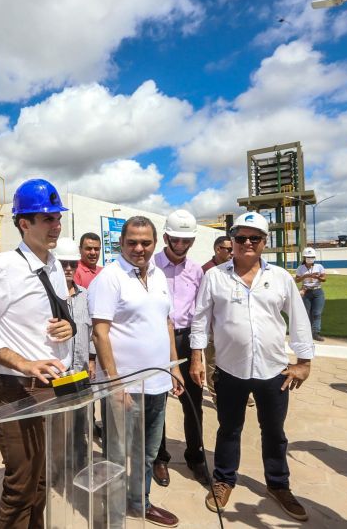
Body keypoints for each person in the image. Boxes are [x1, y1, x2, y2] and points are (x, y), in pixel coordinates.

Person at [190, 211, 314, 522]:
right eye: (241, 237)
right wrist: (196, 357)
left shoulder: (281, 277)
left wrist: (304, 362)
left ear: (264, 242)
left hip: (274, 371)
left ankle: (278, 485)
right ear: (231, 241)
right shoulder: (215, 276)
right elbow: (200, 320)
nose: (247, 242)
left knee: (274, 431)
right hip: (230, 370)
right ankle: (224, 480)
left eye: (254, 238)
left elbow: (299, 320)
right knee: (229, 429)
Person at [0, 178, 74, 529]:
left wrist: (68, 328)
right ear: (24, 223)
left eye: (57, 218)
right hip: (18, 389)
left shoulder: (55, 265)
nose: (56, 225)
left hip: (57, 386)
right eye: (47, 219)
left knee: (42, 480)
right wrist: (24, 363)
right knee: (21, 485)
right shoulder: (2, 267)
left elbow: (57, 317)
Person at [89, 215, 185, 528]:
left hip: (157, 383)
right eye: (132, 242)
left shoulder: (157, 275)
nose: (139, 248)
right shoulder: (110, 277)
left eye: (146, 242)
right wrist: (115, 384)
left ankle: (139, 503)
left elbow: (166, 323)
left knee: (146, 453)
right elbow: (100, 333)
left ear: (155, 243)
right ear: (121, 243)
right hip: (124, 388)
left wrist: (174, 368)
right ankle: (115, 517)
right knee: (116, 456)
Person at [151, 210, 208, 489]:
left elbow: (200, 315)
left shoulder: (196, 271)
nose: (181, 245)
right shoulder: (150, 266)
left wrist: (197, 356)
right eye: (176, 239)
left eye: (187, 240)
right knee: (157, 402)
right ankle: (159, 457)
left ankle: (195, 457)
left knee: (193, 402)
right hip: (156, 340)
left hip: (185, 341)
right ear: (166, 237)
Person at [54, 237, 95, 375]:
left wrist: (92, 359)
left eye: (73, 264)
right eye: (63, 264)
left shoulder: (85, 295)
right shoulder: (46, 296)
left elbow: (91, 331)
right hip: (56, 373)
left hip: (81, 371)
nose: (68, 269)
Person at [201, 236, 234, 404]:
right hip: (212, 329)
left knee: (231, 361)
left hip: (229, 328)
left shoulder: (233, 268)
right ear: (217, 249)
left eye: (232, 248)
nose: (232, 252)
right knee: (212, 364)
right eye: (228, 249)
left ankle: (235, 392)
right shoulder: (206, 270)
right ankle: (216, 397)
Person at [295, 247, 327, 342]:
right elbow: (296, 280)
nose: (310, 258)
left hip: (318, 291)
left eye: (312, 257)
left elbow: (324, 279)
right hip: (306, 291)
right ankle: (307, 333)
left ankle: (316, 332)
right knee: (306, 313)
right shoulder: (300, 268)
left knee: (317, 313)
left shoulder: (319, 267)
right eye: (308, 257)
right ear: (304, 258)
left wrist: (318, 277)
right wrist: (305, 276)